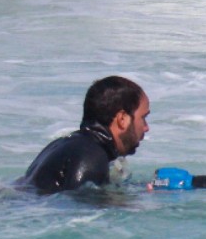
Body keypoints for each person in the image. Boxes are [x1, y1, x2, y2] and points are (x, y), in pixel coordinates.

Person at [18, 76, 151, 194]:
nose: (146, 128)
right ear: (122, 119)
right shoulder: (91, 157)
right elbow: (79, 211)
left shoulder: (62, 145)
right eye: (143, 118)